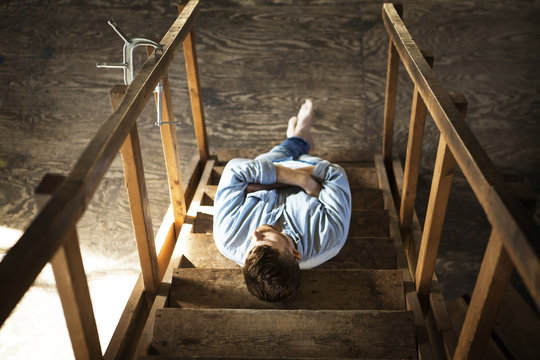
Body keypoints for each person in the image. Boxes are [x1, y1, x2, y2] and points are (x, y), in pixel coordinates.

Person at [213, 99, 352, 302]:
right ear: (294, 253)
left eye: (250, 247)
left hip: (270, 164)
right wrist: (300, 178)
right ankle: (300, 140)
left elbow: (234, 169)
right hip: (309, 167)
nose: (255, 234)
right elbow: (336, 174)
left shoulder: (228, 236)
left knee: (277, 155)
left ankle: (298, 139)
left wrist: (301, 183)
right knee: (298, 156)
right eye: (266, 241)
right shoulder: (329, 237)